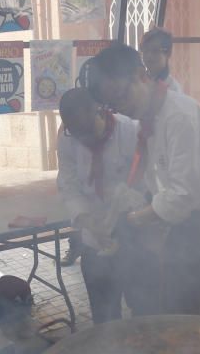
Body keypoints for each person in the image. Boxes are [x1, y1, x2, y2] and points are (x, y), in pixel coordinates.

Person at [87, 43, 200, 315]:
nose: (120, 108)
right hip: (181, 228)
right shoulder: (147, 119)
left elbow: (183, 195)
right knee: (175, 308)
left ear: (140, 75)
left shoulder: (181, 117)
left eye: (121, 96)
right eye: (112, 105)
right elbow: (154, 180)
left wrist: (131, 221)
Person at [56, 87, 144, 323]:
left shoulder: (131, 132)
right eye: (74, 132)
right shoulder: (67, 137)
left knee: (144, 310)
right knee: (104, 317)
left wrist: (128, 206)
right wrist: (87, 221)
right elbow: (68, 184)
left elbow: (148, 184)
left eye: (85, 131)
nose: (81, 139)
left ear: (101, 112)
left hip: (134, 234)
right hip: (94, 237)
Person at [140, 28, 183, 94]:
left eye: (155, 51)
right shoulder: (138, 82)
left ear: (168, 53)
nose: (149, 56)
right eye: (145, 50)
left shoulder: (173, 88)